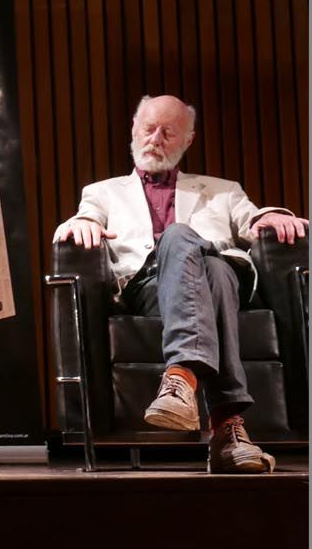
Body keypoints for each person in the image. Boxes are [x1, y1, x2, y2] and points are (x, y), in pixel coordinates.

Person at [53, 95, 306, 473]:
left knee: (204, 258)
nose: (155, 138)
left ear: (187, 141)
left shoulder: (222, 189)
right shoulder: (102, 192)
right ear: (133, 131)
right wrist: (80, 224)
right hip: (150, 289)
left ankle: (180, 379)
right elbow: (82, 218)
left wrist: (274, 215)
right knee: (194, 252)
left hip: (226, 277)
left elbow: (253, 220)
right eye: (148, 128)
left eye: (168, 132)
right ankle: (229, 428)